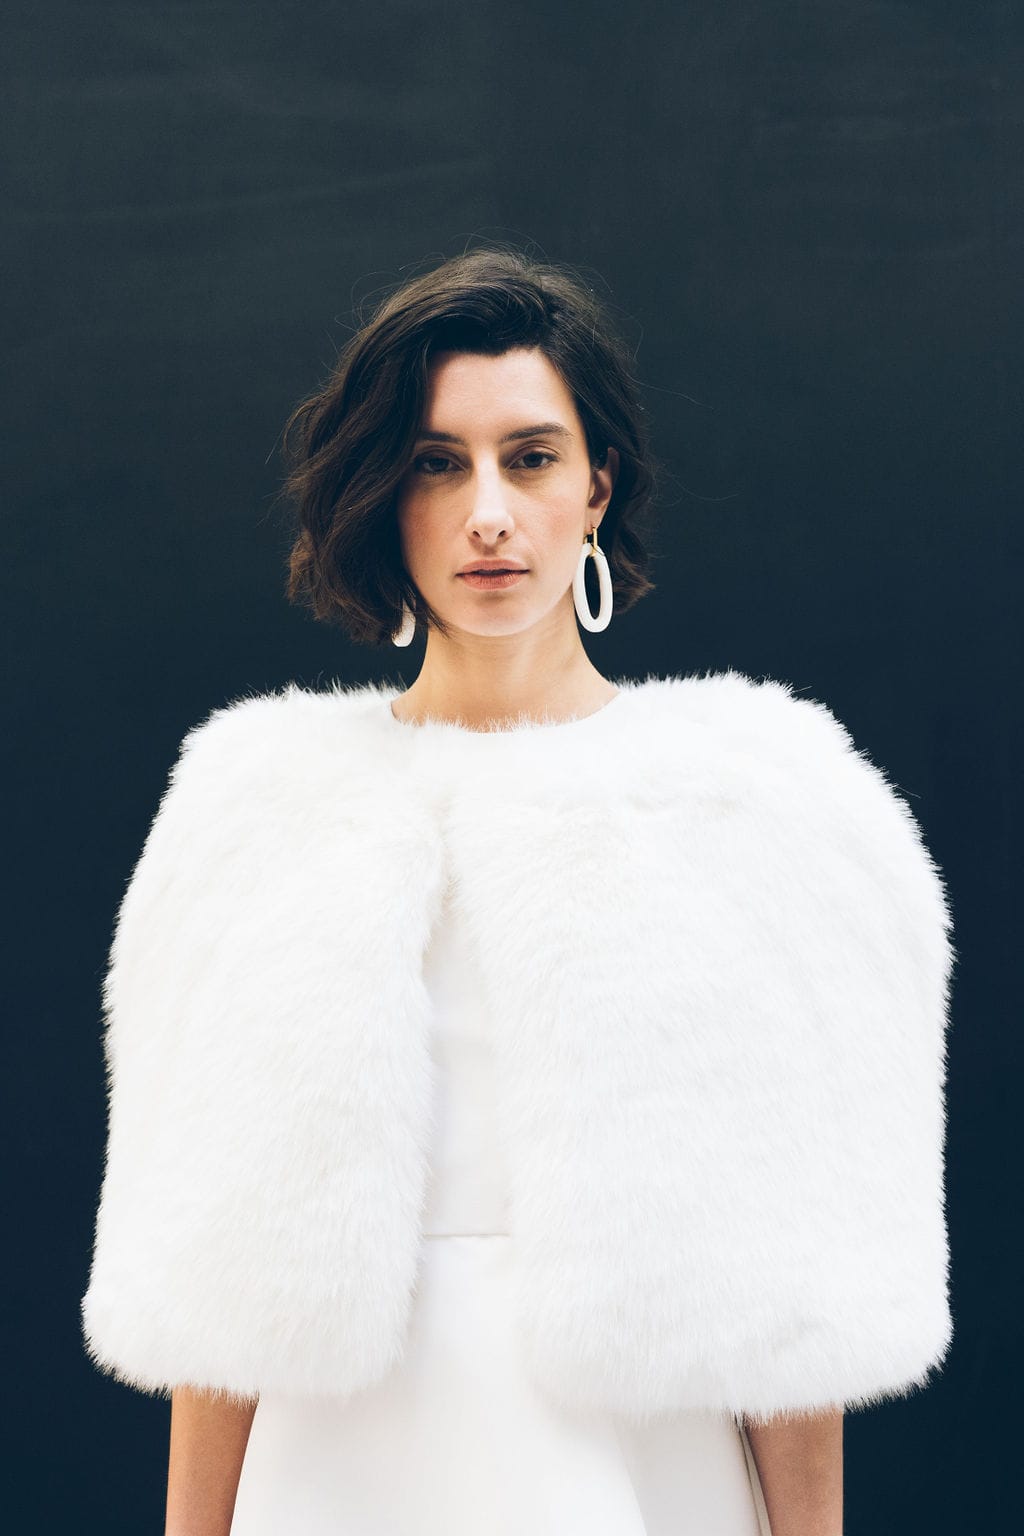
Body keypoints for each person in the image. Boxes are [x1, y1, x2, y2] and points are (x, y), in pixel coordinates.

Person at [81, 247, 954, 1536]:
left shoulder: (750, 805)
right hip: (335, 1481)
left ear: (599, 486)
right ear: (384, 497)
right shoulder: (254, 813)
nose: (487, 512)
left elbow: (797, 1300)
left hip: (637, 1478)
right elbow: (215, 1285)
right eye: (437, 463)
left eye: (531, 457)